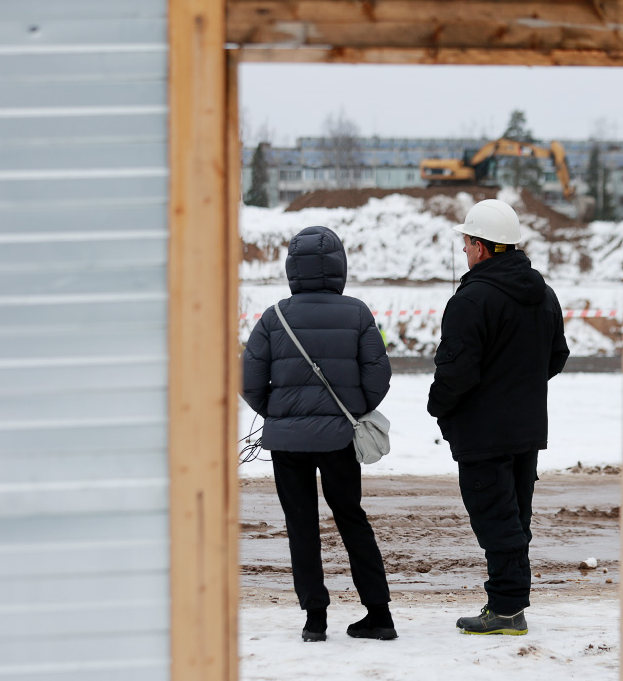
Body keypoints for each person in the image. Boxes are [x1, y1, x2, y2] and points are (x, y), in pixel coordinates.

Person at [241, 226, 397, 643]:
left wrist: (277, 412)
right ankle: (379, 614)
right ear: (340, 267)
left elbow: (250, 379)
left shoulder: (274, 317)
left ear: (292, 269)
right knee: (351, 518)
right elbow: (379, 376)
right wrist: (353, 411)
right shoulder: (359, 313)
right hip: (339, 438)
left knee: (301, 524)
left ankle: (315, 619)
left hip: (287, 442)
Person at [427, 199, 570, 635]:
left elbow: (456, 371)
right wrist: (520, 387)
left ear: (483, 247)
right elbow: (557, 356)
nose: (464, 251)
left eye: (467, 242)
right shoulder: (542, 294)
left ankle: (507, 610)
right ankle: (507, 604)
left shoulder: (472, 300)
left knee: (496, 520)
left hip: (483, 434)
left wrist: (440, 408)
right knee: (514, 519)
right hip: (526, 429)